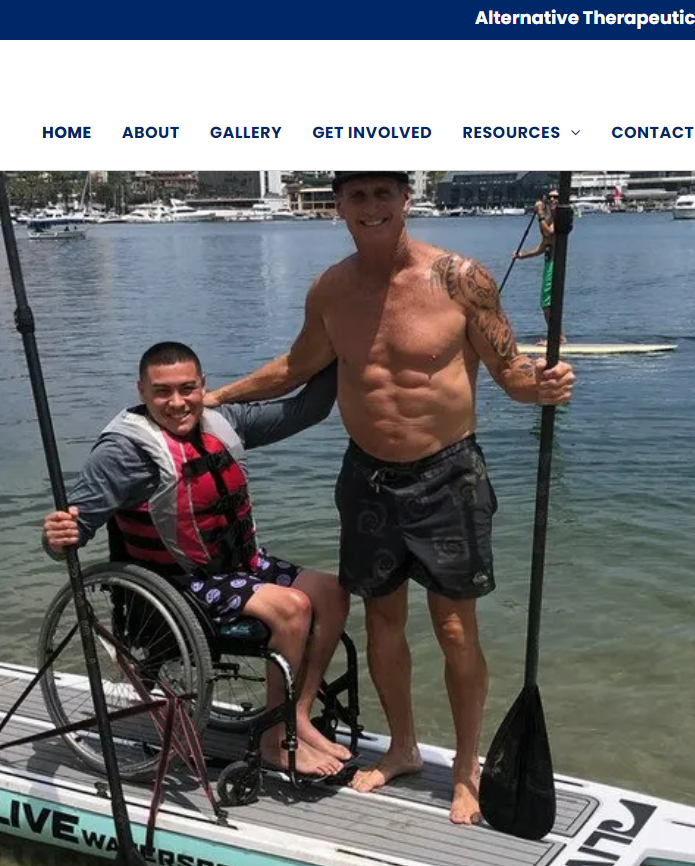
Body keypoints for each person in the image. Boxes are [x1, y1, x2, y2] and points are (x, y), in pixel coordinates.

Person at [205, 171, 575, 824]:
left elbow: (509, 371)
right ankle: (402, 747)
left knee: (456, 627)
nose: (371, 207)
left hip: (447, 477)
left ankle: (464, 768)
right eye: (357, 196)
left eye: (384, 194)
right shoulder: (331, 289)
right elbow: (295, 367)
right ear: (338, 206)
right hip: (367, 477)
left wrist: (541, 385)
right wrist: (215, 398)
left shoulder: (460, 278)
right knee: (381, 623)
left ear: (405, 200)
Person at [41, 341, 351, 777]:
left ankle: (294, 717)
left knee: (333, 591)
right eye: (162, 392)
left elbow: (309, 409)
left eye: (187, 389)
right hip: (176, 584)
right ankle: (274, 742)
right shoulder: (123, 453)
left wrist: (342, 341)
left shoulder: (223, 421)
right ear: (142, 392)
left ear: (204, 387)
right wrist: (57, 537)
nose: (177, 402)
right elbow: (70, 534)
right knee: (292, 607)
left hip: (237, 568)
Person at [512, 188, 565, 341]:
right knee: (546, 304)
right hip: (549, 263)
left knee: (548, 304)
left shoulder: (559, 219)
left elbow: (549, 234)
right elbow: (543, 247)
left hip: (556, 264)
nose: (553, 200)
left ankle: (558, 338)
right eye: (550, 198)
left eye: (556, 197)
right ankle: (557, 336)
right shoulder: (549, 219)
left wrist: (540, 214)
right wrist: (521, 256)